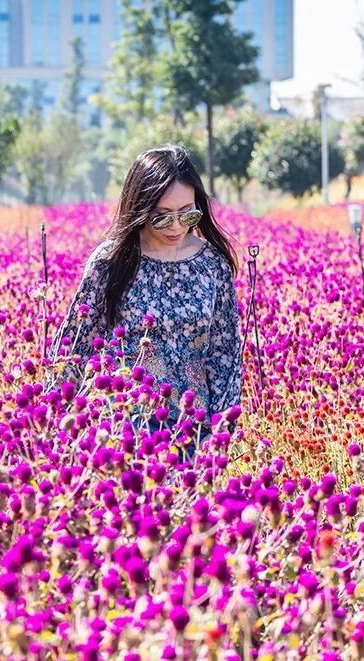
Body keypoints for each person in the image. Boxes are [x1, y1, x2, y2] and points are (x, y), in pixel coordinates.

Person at [46, 144, 243, 461]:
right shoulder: (112, 261)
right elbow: (76, 343)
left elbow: (226, 354)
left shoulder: (212, 264)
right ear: (141, 208)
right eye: (162, 217)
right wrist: (53, 420)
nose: (176, 227)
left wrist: (221, 430)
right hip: (124, 424)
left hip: (192, 428)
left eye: (187, 214)